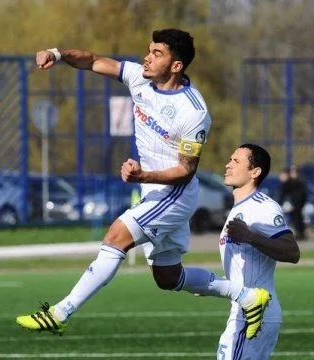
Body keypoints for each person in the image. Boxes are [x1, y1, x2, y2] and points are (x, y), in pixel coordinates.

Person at [16, 29, 271, 340]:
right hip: (155, 191)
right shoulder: (139, 78)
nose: (147, 58)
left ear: (176, 66)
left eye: (157, 54)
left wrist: (143, 176)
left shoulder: (194, 112)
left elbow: (186, 171)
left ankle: (60, 313)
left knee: (115, 237)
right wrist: (57, 54)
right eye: (149, 51)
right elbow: (94, 61)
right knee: (168, 277)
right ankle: (247, 296)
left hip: (173, 194)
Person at [215, 144, 300, 360]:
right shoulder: (238, 208)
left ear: (255, 172)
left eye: (236, 161)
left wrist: (250, 237)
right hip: (243, 313)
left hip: (255, 315)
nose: (228, 165)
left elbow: (292, 251)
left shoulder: (263, 207)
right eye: (230, 159)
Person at [279, 165, 308, 239]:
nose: (293, 174)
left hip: (297, 205)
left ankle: (300, 233)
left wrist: (297, 204)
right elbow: (283, 195)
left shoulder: (299, 183)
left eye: (294, 172)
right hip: (292, 205)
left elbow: (302, 195)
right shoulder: (288, 183)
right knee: (292, 218)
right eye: (292, 172)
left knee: (298, 218)